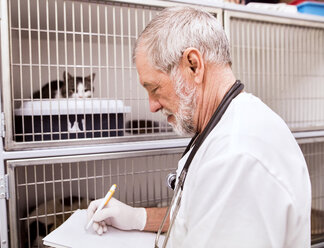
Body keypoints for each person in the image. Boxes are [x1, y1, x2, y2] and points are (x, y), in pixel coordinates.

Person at [86, 6, 311, 247]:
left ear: (193, 65)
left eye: (154, 88)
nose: (151, 106)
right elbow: (199, 214)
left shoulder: (237, 158)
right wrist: (137, 218)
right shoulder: (225, 125)